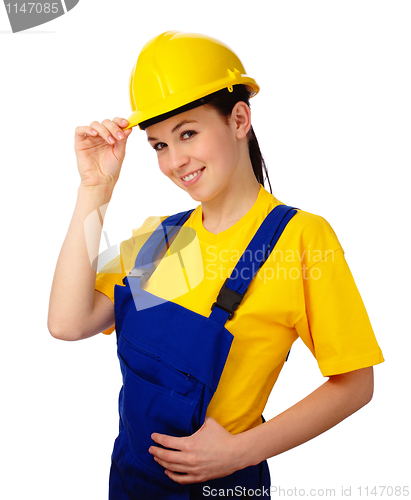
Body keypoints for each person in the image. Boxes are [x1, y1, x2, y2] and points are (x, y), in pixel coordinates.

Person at [48, 31, 384, 499]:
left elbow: (355, 383)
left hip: (224, 488)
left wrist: (241, 452)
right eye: (159, 145)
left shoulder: (300, 239)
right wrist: (94, 189)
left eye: (188, 133)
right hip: (129, 481)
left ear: (240, 119)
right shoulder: (164, 239)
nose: (175, 161)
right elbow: (67, 323)